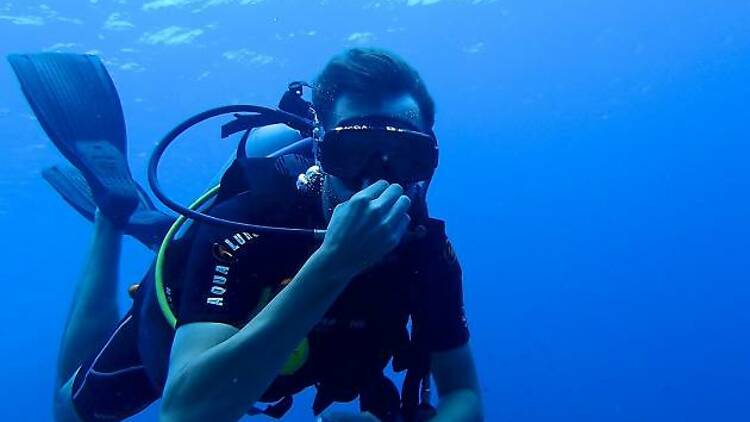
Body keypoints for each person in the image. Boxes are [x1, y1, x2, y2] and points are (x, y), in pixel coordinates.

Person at [10, 48, 482, 422]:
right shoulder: (248, 224)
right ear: (320, 149)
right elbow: (185, 415)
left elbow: (462, 394)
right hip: (205, 288)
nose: (375, 179)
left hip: (284, 355)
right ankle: (111, 214)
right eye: (353, 151)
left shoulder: (426, 252)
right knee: (69, 413)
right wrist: (334, 263)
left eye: (404, 156)